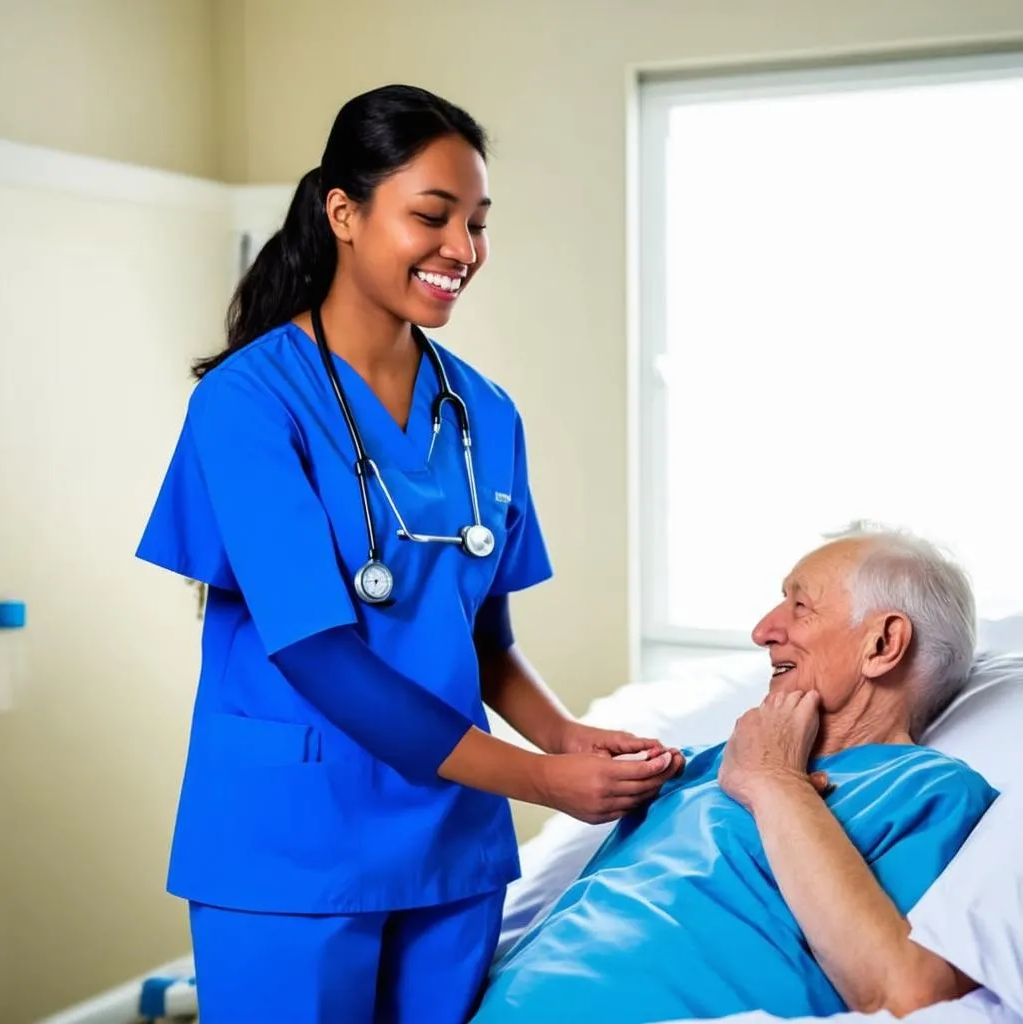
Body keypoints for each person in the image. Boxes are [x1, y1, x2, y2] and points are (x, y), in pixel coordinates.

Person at [135, 84, 682, 1024]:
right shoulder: (249, 402)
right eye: (432, 217)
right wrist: (540, 780)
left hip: (448, 843)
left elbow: (485, 638)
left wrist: (564, 736)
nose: (462, 251)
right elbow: (314, 649)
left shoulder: (485, 413)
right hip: (291, 845)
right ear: (342, 214)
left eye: (477, 223)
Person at [473, 528, 998, 1023]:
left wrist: (774, 781)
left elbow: (904, 995)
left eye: (800, 606)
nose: (764, 631)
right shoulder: (702, 764)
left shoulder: (931, 792)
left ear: (883, 644)